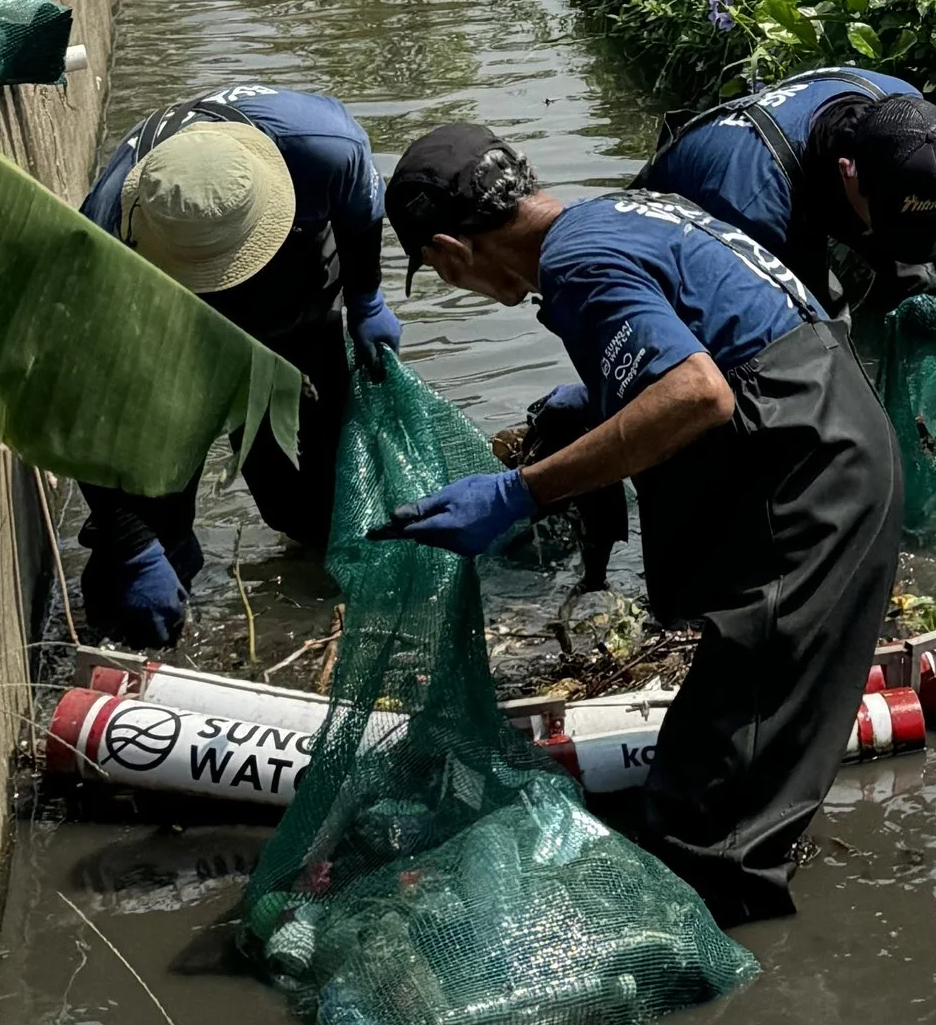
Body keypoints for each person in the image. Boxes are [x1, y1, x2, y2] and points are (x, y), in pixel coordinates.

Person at [381, 123, 903, 925]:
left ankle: (734, 1010)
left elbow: (700, 393)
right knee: (736, 759)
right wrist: (599, 404)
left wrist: (521, 492)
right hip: (835, 432)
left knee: (702, 821)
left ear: (452, 253)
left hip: (812, 483)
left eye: (446, 273)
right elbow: (731, 342)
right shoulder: (624, 211)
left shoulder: (575, 263)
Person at [74, 85, 396, 647]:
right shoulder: (102, 232)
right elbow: (79, 395)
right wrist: (131, 539)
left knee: (313, 511)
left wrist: (367, 299)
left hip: (298, 322)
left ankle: (310, 625)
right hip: (173, 340)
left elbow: (361, 210)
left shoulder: (320, 147)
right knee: (152, 536)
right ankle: (126, 637)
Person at [641, 69, 936, 318]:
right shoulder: (753, 205)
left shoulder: (908, 118)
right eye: (887, 221)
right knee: (809, 332)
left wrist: (910, 273)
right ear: (847, 171)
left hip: (792, 180)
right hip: (670, 234)